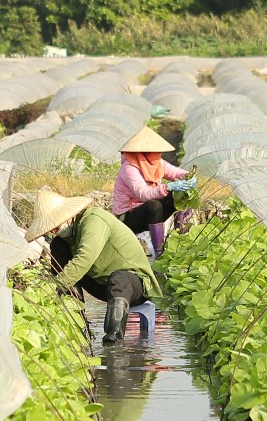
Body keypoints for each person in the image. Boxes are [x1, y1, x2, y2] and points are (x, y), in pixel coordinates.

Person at [28, 187, 160, 342]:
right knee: (58, 247)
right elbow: (69, 272)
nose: (53, 232)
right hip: (103, 286)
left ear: (68, 216)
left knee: (118, 279)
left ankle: (113, 340)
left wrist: (53, 286)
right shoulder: (67, 237)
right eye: (51, 230)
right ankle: (77, 325)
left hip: (134, 286)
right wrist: (49, 290)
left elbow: (84, 258)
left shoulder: (94, 220)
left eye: (56, 227)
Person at [111, 124, 193, 257]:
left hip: (151, 215)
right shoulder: (129, 168)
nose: (157, 155)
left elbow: (175, 172)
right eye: (153, 151)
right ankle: (159, 253)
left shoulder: (157, 163)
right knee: (154, 205)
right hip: (129, 218)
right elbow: (144, 194)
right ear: (143, 152)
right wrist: (168, 187)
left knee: (183, 194)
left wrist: (189, 177)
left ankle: (181, 240)